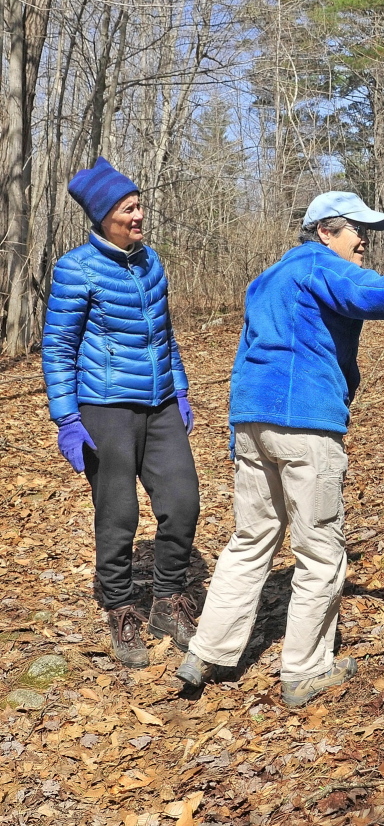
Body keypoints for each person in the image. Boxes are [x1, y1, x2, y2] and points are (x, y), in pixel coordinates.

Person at [177, 191, 384, 707]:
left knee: (250, 541)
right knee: (319, 551)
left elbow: (244, 355)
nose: (364, 239)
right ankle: (303, 671)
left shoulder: (267, 278)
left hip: (254, 419)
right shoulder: (323, 266)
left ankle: (205, 653)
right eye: (356, 230)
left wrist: (237, 433)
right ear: (325, 231)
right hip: (305, 424)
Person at [42, 158, 200, 669]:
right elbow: (59, 347)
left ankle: (168, 601)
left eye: (139, 206)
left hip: (159, 404)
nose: (139, 215)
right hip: (104, 407)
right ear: (104, 216)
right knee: (119, 514)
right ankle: (120, 607)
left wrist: (179, 388)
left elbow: (165, 335)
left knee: (182, 501)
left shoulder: (151, 262)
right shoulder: (76, 268)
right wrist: (67, 419)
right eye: (128, 209)